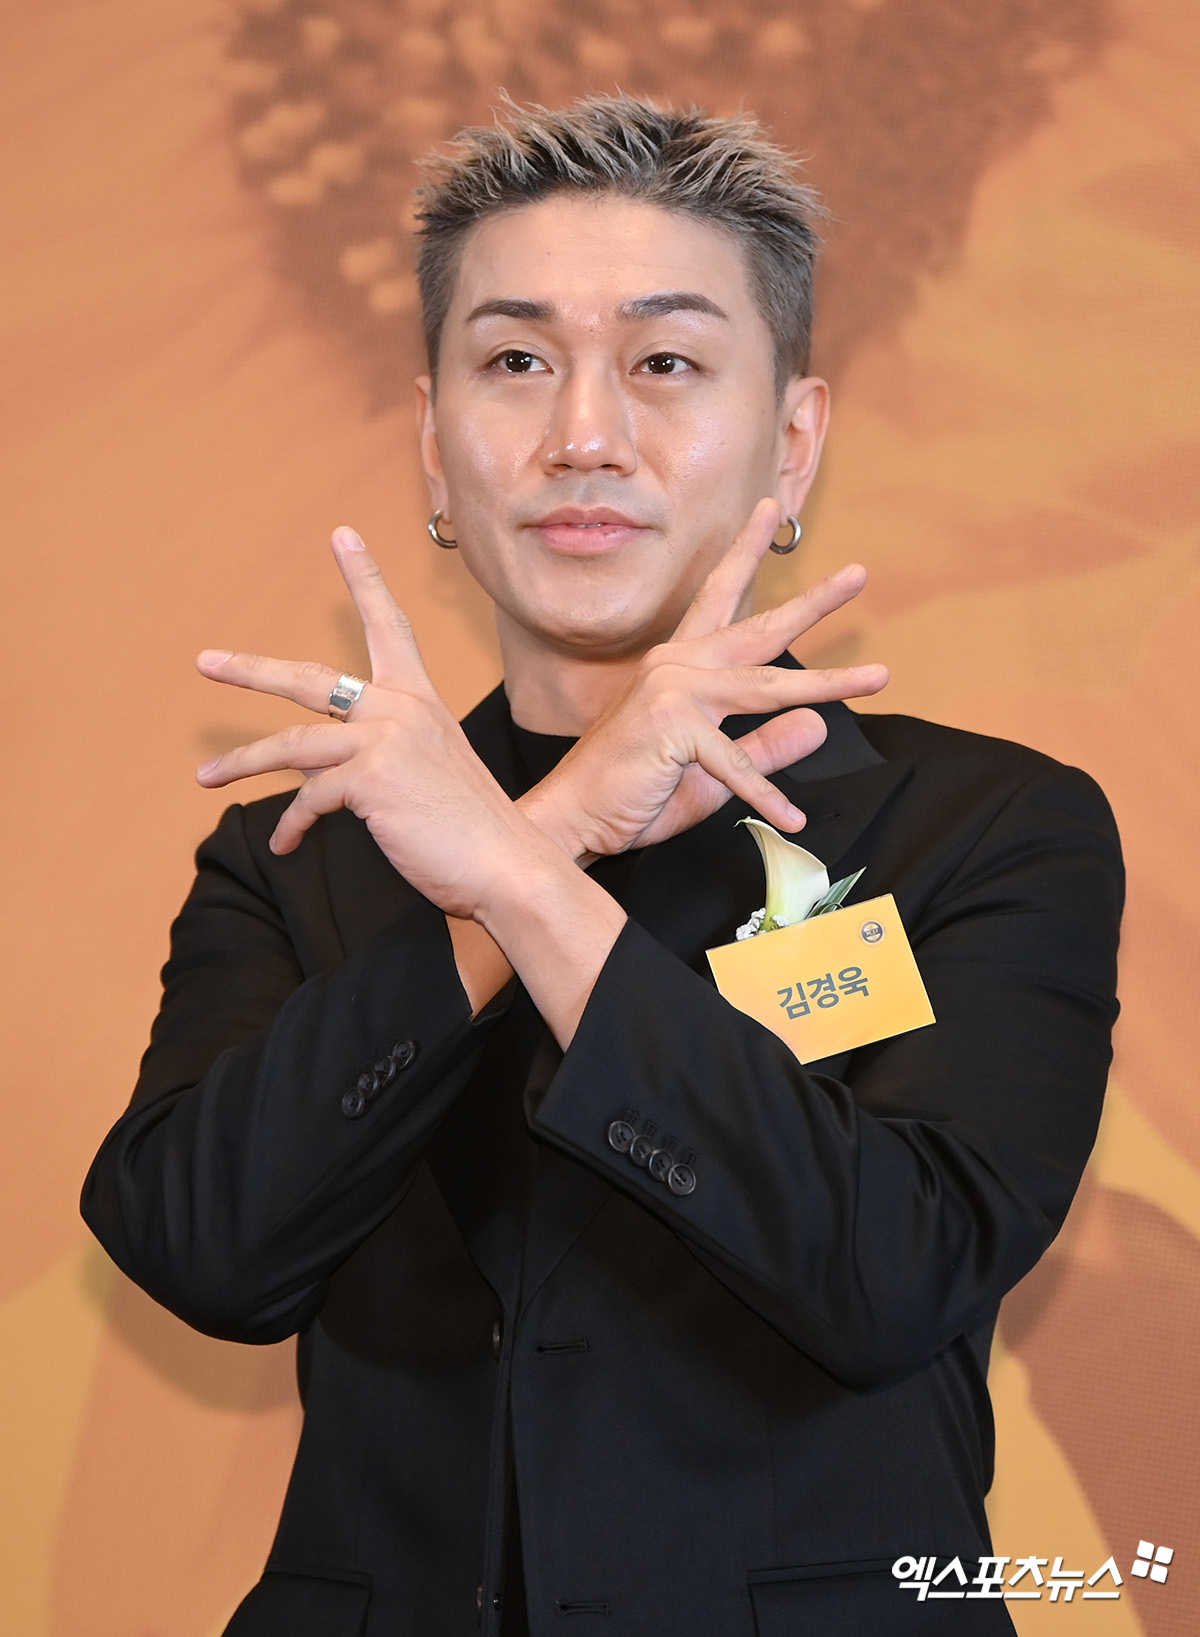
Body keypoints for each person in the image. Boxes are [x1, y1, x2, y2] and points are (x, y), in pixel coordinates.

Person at [82, 95, 1122, 1635]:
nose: (582, 434)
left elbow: (890, 1272)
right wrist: (556, 824)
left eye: (665, 363)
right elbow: (201, 1247)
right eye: (515, 361)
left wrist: (518, 879)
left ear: (793, 442)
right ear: (435, 446)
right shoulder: (301, 850)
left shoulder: (986, 826)